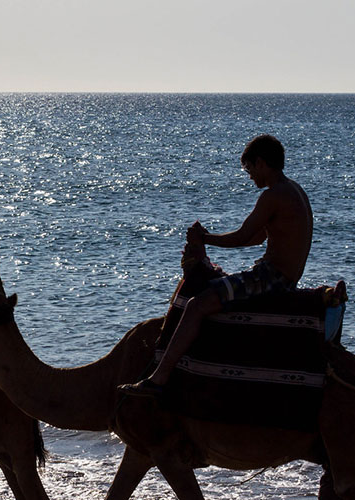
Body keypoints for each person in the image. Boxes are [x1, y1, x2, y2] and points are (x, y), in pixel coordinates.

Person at [119, 134, 314, 397]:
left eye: (249, 169)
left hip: (271, 278)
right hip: (283, 276)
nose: (249, 176)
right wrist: (209, 239)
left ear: (260, 163)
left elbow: (244, 236)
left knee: (196, 305)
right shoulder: (294, 190)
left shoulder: (273, 195)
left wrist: (204, 239)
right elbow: (257, 237)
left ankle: (159, 378)